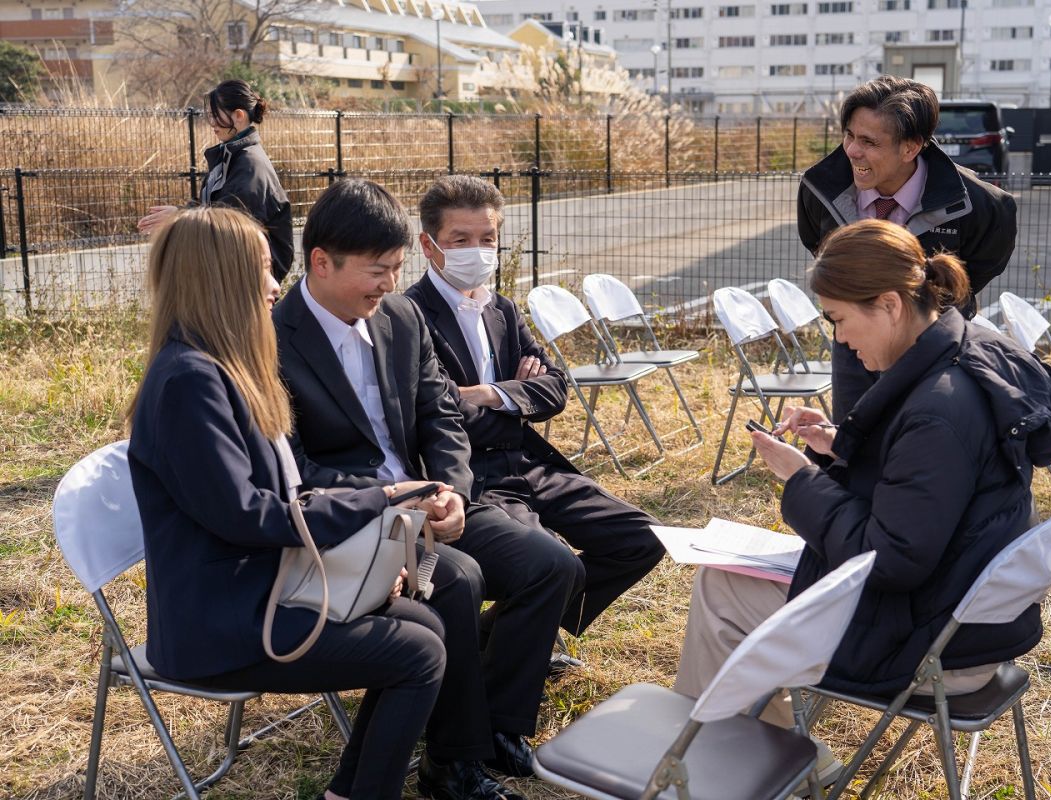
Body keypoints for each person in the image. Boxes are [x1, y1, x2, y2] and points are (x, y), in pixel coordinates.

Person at [675, 220, 1051, 740]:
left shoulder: (937, 410)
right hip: (965, 617)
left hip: (930, 645)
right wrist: (841, 447)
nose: (839, 338)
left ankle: (712, 768)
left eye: (840, 318)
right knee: (740, 581)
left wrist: (802, 478)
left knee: (721, 589)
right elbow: (931, 486)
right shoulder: (969, 352)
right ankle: (771, 756)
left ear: (890, 305)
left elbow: (889, 559)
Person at [126, 206, 453, 800]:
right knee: (415, 653)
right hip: (221, 625)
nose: (277, 282)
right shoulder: (188, 383)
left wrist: (376, 510)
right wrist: (377, 499)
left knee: (426, 624)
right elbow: (248, 516)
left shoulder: (224, 369)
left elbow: (284, 494)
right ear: (219, 279)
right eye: (261, 268)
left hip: (263, 595)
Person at [275, 178, 581, 800]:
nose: (390, 284)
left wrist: (451, 492)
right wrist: (394, 498)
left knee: (551, 566)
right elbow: (294, 466)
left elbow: (440, 416)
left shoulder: (401, 317)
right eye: (377, 271)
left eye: (395, 268)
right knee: (459, 581)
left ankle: (498, 727)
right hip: (352, 521)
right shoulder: (276, 340)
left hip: (429, 502)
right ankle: (451, 763)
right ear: (320, 263)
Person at [405, 174, 665, 637]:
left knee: (642, 538)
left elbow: (557, 388)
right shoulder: (410, 317)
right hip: (472, 476)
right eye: (460, 240)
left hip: (528, 462)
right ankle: (517, 639)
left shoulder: (500, 308)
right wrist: (517, 401)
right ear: (429, 245)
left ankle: (520, 631)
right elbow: (445, 416)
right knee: (552, 563)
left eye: (488, 239)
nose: (477, 250)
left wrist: (490, 393)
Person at [797, 76, 1018, 422]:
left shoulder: (980, 204)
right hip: (854, 347)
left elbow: (980, 266)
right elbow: (820, 247)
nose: (853, 151)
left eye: (869, 142)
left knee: (924, 441)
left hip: (936, 350)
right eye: (850, 135)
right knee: (854, 442)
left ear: (911, 147)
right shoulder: (819, 190)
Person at [137, 80, 294, 282]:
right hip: (236, 277)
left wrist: (180, 217)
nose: (211, 123)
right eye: (209, 116)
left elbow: (228, 223)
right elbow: (215, 208)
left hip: (249, 281)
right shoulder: (232, 157)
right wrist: (181, 213)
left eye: (215, 115)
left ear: (238, 116)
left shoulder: (249, 165)